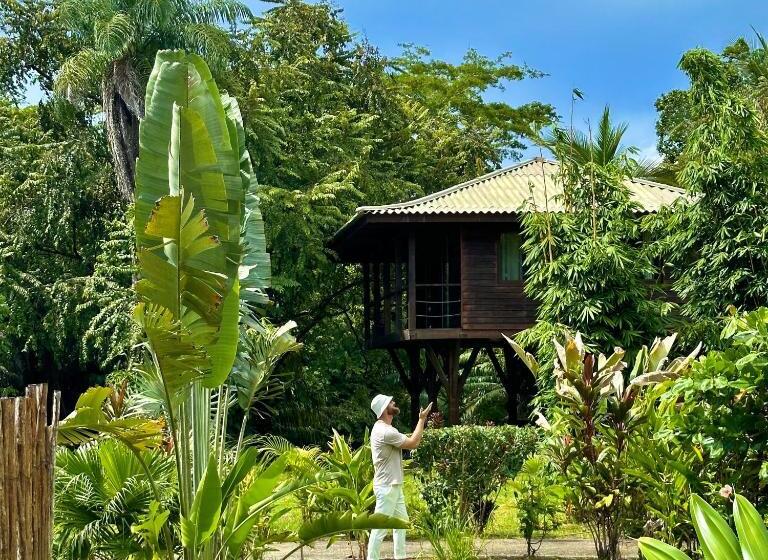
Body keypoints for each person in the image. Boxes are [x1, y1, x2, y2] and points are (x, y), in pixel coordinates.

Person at [367, 394, 433, 560]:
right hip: (387, 487)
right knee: (379, 528)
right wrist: (422, 419)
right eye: (390, 402)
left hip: (393, 485)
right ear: (384, 409)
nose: (394, 402)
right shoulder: (385, 431)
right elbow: (413, 443)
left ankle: (400, 557)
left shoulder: (385, 429)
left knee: (401, 523)